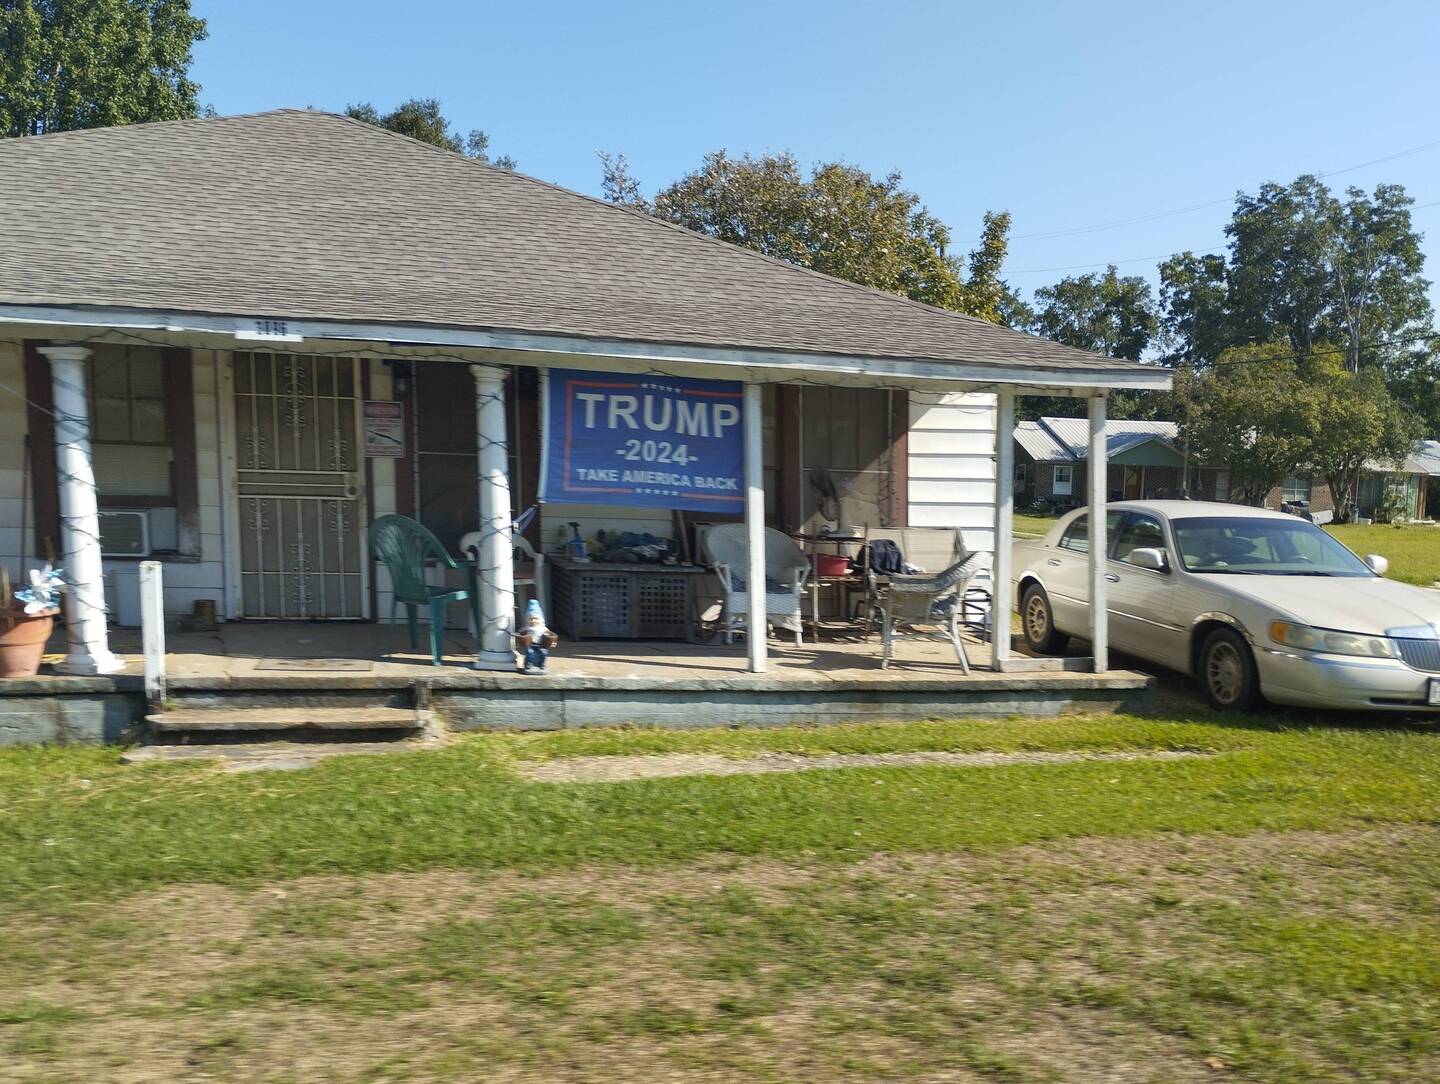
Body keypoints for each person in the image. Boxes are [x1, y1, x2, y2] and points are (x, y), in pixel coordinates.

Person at [515, 599, 558, 673]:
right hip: (531, 645)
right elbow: (519, 634)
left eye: (536, 619)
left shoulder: (543, 629)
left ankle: (541, 664)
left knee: (544, 652)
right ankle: (529, 664)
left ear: (540, 620)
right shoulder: (526, 628)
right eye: (531, 619)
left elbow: (551, 635)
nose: (533, 621)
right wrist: (519, 638)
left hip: (541, 645)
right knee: (530, 652)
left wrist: (553, 642)